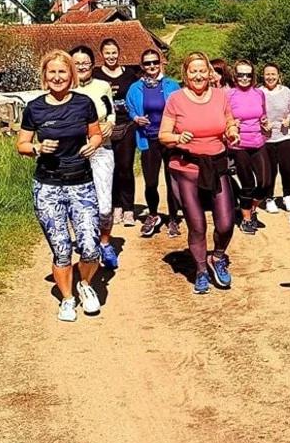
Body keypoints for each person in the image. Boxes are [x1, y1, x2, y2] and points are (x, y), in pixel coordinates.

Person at [16, 50, 105, 322]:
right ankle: (67, 299)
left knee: (90, 246)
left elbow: (96, 134)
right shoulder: (34, 108)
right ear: (45, 76)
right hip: (48, 186)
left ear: (72, 75)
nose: (57, 77)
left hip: (81, 183)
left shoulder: (83, 103)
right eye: (52, 72)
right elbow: (21, 145)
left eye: (62, 72)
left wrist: (93, 145)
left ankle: (85, 284)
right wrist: (37, 148)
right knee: (61, 248)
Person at [159, 52, 241, 294]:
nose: (198, 75)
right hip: (186, 168)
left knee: (226, 223)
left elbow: (229, 122)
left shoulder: (220, 96)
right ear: (185, 74)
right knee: (196, 225)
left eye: (202, 70)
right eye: (192, 71)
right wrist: (177, 137)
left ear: (209, 73)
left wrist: (232, 131)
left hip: (216, 166)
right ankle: (201, 270)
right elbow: (163, 135)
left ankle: (217, 257)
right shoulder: (175, 99)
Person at [69, 46, 120, 269]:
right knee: (76, 202)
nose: (81, 66)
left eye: (85, 62)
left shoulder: (102, 86)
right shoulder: (64, 88)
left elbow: (110, 111)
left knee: (105, 205)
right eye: (76, 62)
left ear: (92, 64)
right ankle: (85, 241)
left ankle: (105, 242)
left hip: (102, 149)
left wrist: (110, 122)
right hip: (74, 152)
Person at [125, 48, 182, 238]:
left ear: (160, 63)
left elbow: (181, 110)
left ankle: (173, 218)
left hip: (169, 139)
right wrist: (136, 118)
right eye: (147, 63)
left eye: (155, 62)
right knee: (151, 182)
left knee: (172, 180)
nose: (152, 66)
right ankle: (153, 214)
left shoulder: (172, 85)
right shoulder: (135, 88)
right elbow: (130, 109)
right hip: (148, 138)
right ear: (142, 66)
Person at [95, 38, 142, 228]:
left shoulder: (130, 75)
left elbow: (139, 94)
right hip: (104, 127)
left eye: (114, 52)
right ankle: (115, 206)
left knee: (125, 167)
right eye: (107, 53)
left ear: (119, 53)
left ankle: (129, 208)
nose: (111, 56)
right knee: (109, 168)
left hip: (126, 125)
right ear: (101, 54)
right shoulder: (96, 75)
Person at [226, 60, 271, 235]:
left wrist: (265, 124)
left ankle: (250, 208)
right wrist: (230, 124)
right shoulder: (229, 95)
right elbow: (223, 119)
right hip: (239, 145)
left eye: (248, 75)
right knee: (248, 185)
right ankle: (246, 219)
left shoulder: (259, 93)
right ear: (235, 76)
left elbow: (263, 116)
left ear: (253, 76)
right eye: (241, 74)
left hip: (258, 141)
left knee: (266, 183)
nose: (244, 78)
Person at [260, 63, 290, 213]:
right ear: (263, 76)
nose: (270, 77)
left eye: (273, 74)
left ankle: (287, 196)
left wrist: (289, 118)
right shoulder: (259, 92)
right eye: (267, 74)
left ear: (278, 75)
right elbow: (255, 112)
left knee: (287, 168)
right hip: (267, 138)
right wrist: (262, 123)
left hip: (286, 135)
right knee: (270, 171)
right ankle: (269, 199)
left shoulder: (286, 92)